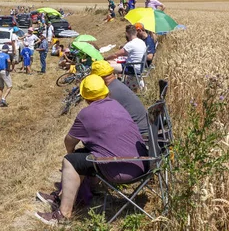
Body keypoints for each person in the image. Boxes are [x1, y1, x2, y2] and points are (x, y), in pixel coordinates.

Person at [34, 75, 149, 225]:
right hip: (142, 163)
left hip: (121, 170)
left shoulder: (86, 114)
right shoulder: (116, 104)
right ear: (105, 91)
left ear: (86, 98)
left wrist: (71, 158)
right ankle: (66, 196)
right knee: (82, 157)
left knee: (71, 160)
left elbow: (69, 141)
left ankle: (63, 215)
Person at [90, 61, 150, 135]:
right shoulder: (117, 84)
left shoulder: (109, 93)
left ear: (98, 78)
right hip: (145, 127)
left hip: (138, 133)